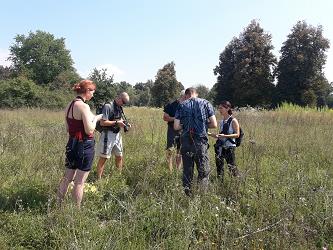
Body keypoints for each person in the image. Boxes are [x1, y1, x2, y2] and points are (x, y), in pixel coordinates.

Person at [57, 80, 102, 207]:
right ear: (87, 91)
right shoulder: (84, 106)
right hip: (84, 145)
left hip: (71, 143)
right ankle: (76, 212)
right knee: (79, 182)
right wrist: (97, 118)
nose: (93, 94)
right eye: (92, 91)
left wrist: (92, 118)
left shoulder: (69, 106)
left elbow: (68, 129)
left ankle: (58, 205)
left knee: (67, 178)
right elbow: (90, 129)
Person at [174, 87, 217, 196]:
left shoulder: (181, 105)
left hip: (186, 141)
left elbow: (176, 126)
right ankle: (202, 195)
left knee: (187, 170)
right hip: (200, 141)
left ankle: (187, 195)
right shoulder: (206, 103)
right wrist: (203, 124)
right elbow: (214, 124)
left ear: (186, 95)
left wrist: (185, 125)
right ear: (196, 94)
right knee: (203, 170)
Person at [96, 92, 130, 179]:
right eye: (123, 102)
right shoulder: (108, 106)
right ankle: (99, 179)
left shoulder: (119, 107)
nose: (124, 104)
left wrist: (125, 123)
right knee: (104, 157)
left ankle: (118, 177)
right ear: (118, 98)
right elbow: (102, 122)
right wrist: (116, 122)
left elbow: (119, 119)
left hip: (117, 135)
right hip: (108, 135)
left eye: (125, 103)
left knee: (119, 156)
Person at [208, 101, 240, 182]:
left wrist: (225, 136)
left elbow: (237, 135)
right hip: (220, 147)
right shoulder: (222, 121)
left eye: (221, 108)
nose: (219, 110)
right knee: (219, 167)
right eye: (219, 108)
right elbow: (220, 135)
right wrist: (210, 134)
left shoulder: (233, 120)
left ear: (228, 108)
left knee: (232, 167)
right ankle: (220, 183)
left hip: (230, 147)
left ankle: (236, 183)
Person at [163, 90, 186, 171]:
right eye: (186, 97)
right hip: (172, 130)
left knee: (180, 151)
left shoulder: (186, 106)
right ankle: (170, 170)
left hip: (183, 131)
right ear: (182, 96)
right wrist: (176, 119)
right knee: (170, 149)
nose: (187, 99)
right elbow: (165, 117)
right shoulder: (171, 105)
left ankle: (178, 170)